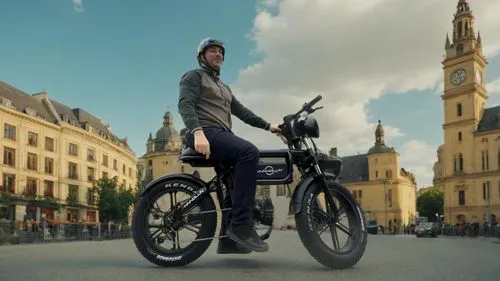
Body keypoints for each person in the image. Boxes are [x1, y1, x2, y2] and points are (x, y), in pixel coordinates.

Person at [177, 37, 282, 253]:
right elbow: (185, 104)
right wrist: (197, 132)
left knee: (232, 182)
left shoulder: (223, 88)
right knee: (248, 152)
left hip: (220, 134)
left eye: (221, 52)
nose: (218, 54)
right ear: (202, 56)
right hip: (205, 131)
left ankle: (228, 239)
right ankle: (242, 226)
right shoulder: (194, 76)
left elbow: (242, 112)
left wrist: (269, 126)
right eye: (213, 51)